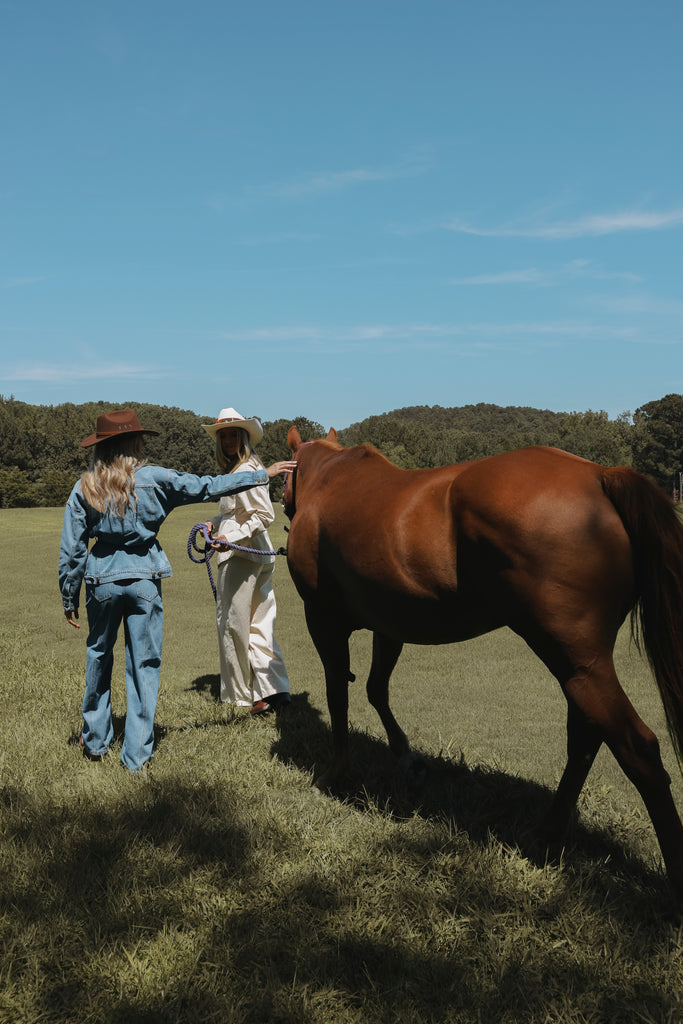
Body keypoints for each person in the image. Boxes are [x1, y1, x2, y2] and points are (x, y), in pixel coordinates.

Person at [59, 408, 295, 772]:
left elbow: (73, 548)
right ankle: (137, 755)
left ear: (100, 447)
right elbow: (208, 486)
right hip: (145, 580)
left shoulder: (84, 486)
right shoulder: (154, 478)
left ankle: (94, 741)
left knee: (99, 656)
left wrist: (68, 594)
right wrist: (264, 474)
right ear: (136, 443)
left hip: (101, 580)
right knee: (144, 664)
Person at [201, 408, 291, 715]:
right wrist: (214, 522)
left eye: (233, 434)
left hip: (240, 556)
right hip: (254, 554)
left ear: (243, 437)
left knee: (233, 624)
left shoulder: (246, 470)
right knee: (259, 624)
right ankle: (275, 691)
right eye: (223, 435)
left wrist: (230, 537)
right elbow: (237, 513)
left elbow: (263, 515)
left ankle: (239, 696)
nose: (228, 440)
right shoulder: (245, 469)